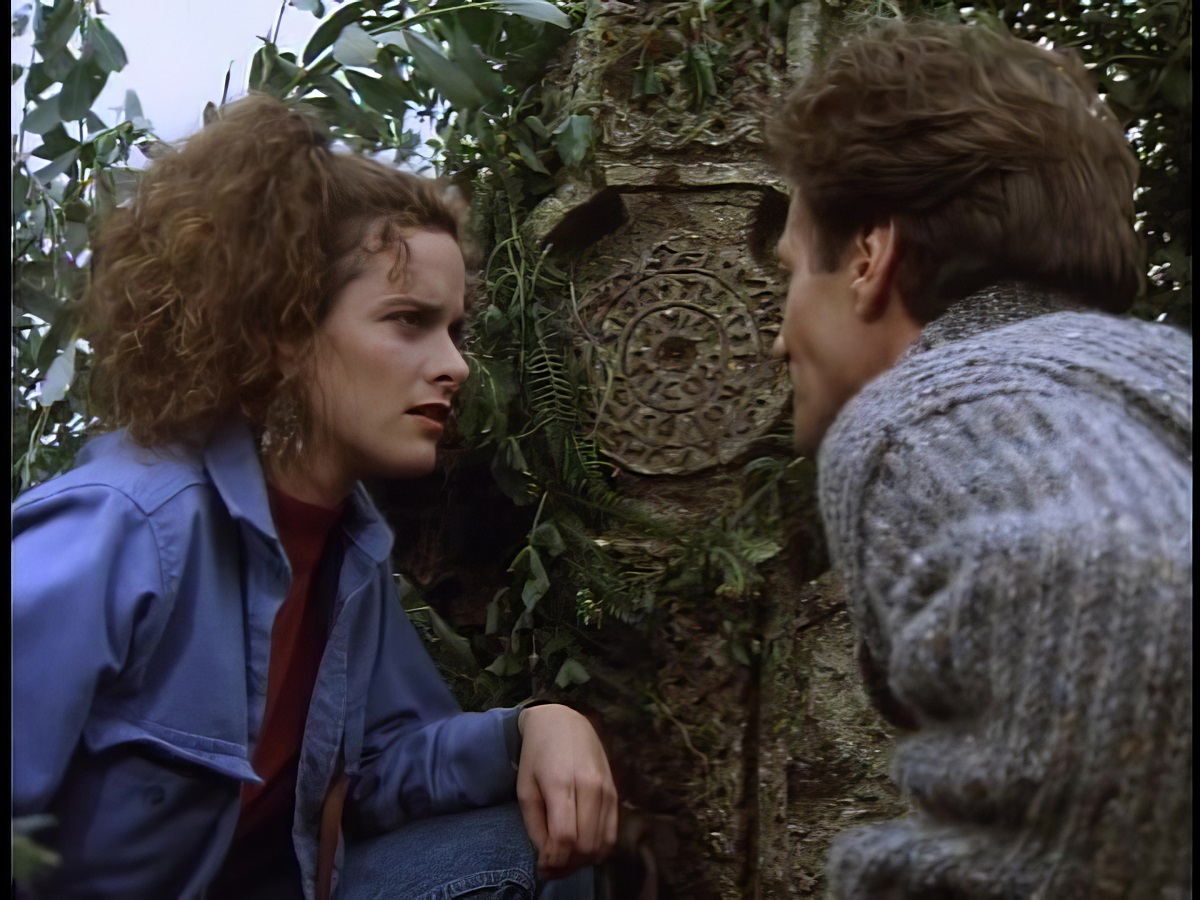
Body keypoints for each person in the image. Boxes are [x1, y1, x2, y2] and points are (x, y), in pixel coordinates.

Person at [12, 93, 617, 899]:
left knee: (535, 849)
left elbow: (377, 767)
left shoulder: (348, 550)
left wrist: (534, 730)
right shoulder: (125, 528)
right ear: (285, 331)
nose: (455, 365)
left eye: (454, 330)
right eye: (408, 320)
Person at [765, 19, 1191, 899]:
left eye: (790, 275)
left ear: (868, 260)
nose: (779, 337)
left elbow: (1120, 598)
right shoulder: (1156, 388)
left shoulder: (935, 409)